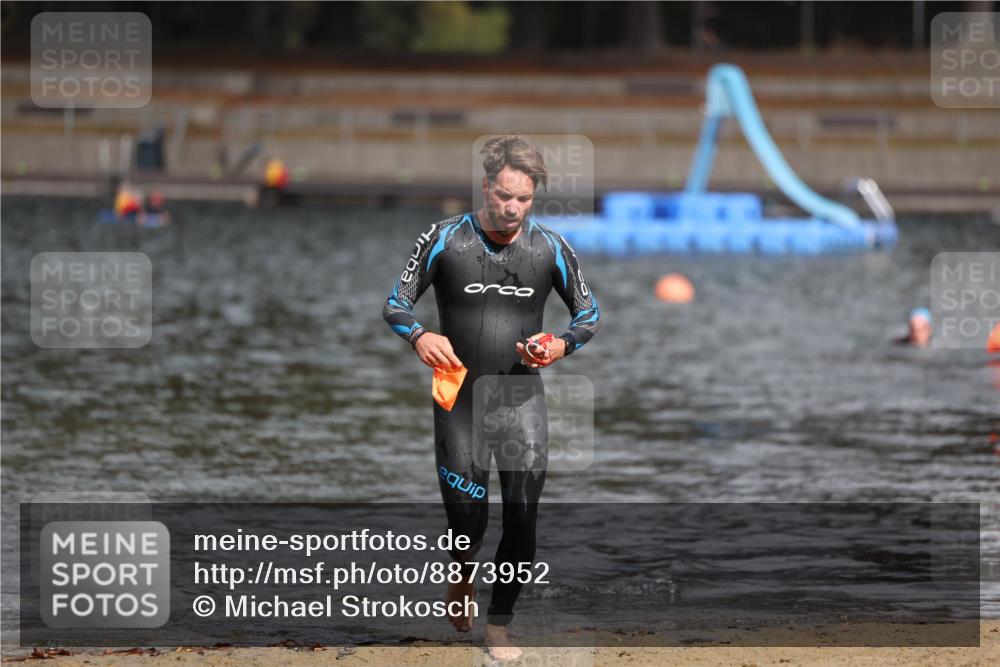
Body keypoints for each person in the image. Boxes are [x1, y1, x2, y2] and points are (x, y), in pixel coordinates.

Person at [382, 135, 600, 661]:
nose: (512, 208)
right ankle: (461, 575)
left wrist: (559, 344)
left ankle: (499, 624)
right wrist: (420, 335)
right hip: (459, 401)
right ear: (486, 187)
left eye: (523, 199)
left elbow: (588, 316)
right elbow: (395, 302)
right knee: (469, 522)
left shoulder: (550, 248)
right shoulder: (444, 238)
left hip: (521, 399)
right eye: (504, 196)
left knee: (523, 515)